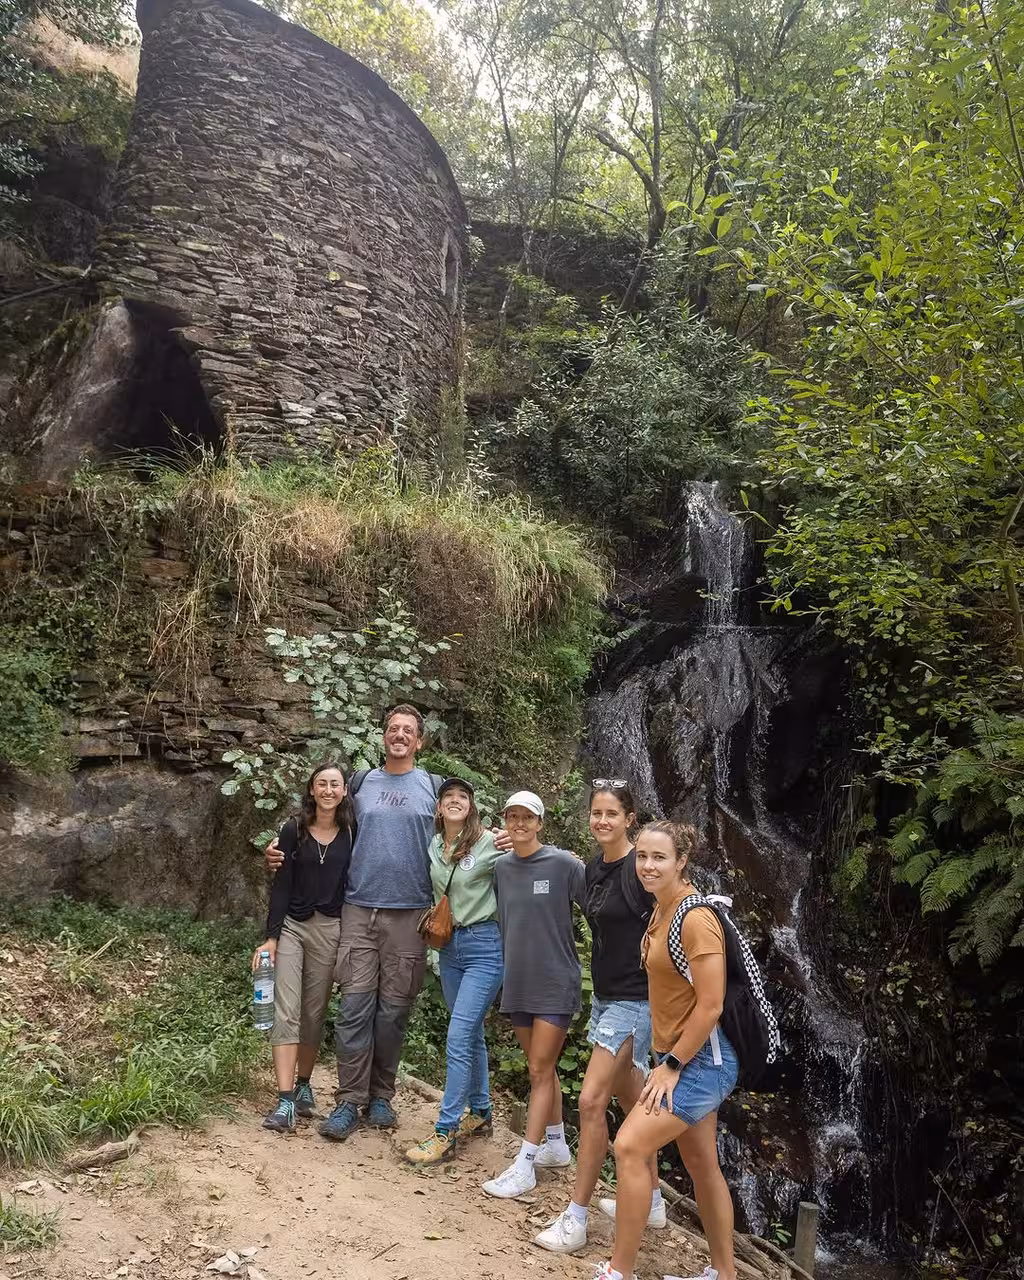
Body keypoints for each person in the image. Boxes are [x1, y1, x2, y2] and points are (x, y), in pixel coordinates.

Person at [265, 704, 439, 1141]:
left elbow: (465, 832)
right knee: (355, 1010)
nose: (399, 735)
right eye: (393, 728)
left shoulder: (433, 788)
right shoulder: (360, 785)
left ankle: (381, 1095)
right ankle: (348, 1100)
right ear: (384, 737)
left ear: (419, 741)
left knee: (393, 1012)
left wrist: (504, 838)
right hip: (358, 910)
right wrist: (281, 849)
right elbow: (322, 825)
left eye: (408, 731)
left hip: (410, 913)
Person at [596, 820, 739, 1280]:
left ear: (682, 861)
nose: (647, 865)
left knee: (630, 1146)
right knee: (700, 1164)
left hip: (699, 1061)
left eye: (659, 857)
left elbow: (712, 1003)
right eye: (642, 856)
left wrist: (672, 1065)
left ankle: (620, 1271)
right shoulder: (662, 910)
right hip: (678, 1057)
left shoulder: (695, 918)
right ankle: (724, 1273)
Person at [533, 780, 664, 1254]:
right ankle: (650, 1200)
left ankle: (577, 1216)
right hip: (608, 997)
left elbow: (676, 911)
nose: (603, 820)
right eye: (596, 813)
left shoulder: (640, 866)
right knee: (631, 1095)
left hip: (636, 999)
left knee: (590, 1101)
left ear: (630, 819)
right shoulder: (595, 868)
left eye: (612, 813)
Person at [482, 789, 587, 1200]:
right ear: (505, 822)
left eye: (528, 818)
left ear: (540, 823)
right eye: (513, 817)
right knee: (540, 1066)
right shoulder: (502, 867)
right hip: (519, 980)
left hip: (556, 980)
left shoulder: (563, 864)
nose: (520, 824)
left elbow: (599, 904)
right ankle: (557, 1145)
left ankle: (524, 1165)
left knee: (540, 1070)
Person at [404, 777, 506, 1166]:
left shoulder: (488, 843)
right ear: (439, 805)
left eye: (463, 796)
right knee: (472, 1032)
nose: (455, 801)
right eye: (449, 796)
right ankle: (480, 1113)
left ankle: (445, 1131)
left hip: (484, 946)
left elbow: (528, 853)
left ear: (472, 805)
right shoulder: (434, 845)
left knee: (459, 1035)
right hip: (449, 948)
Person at [252, 761, 354, 1133]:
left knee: (314, 1012)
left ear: (344, 791)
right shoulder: (293, 828)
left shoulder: (352, 830)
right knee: (287, 1009)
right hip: (294, 925)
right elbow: (281, 883)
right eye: (321, 784)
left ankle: (305, 1086)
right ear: (311, 790)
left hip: (331, 927)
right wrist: (271, 937)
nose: (328, 790)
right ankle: (284, 1102)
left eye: (335, 784)